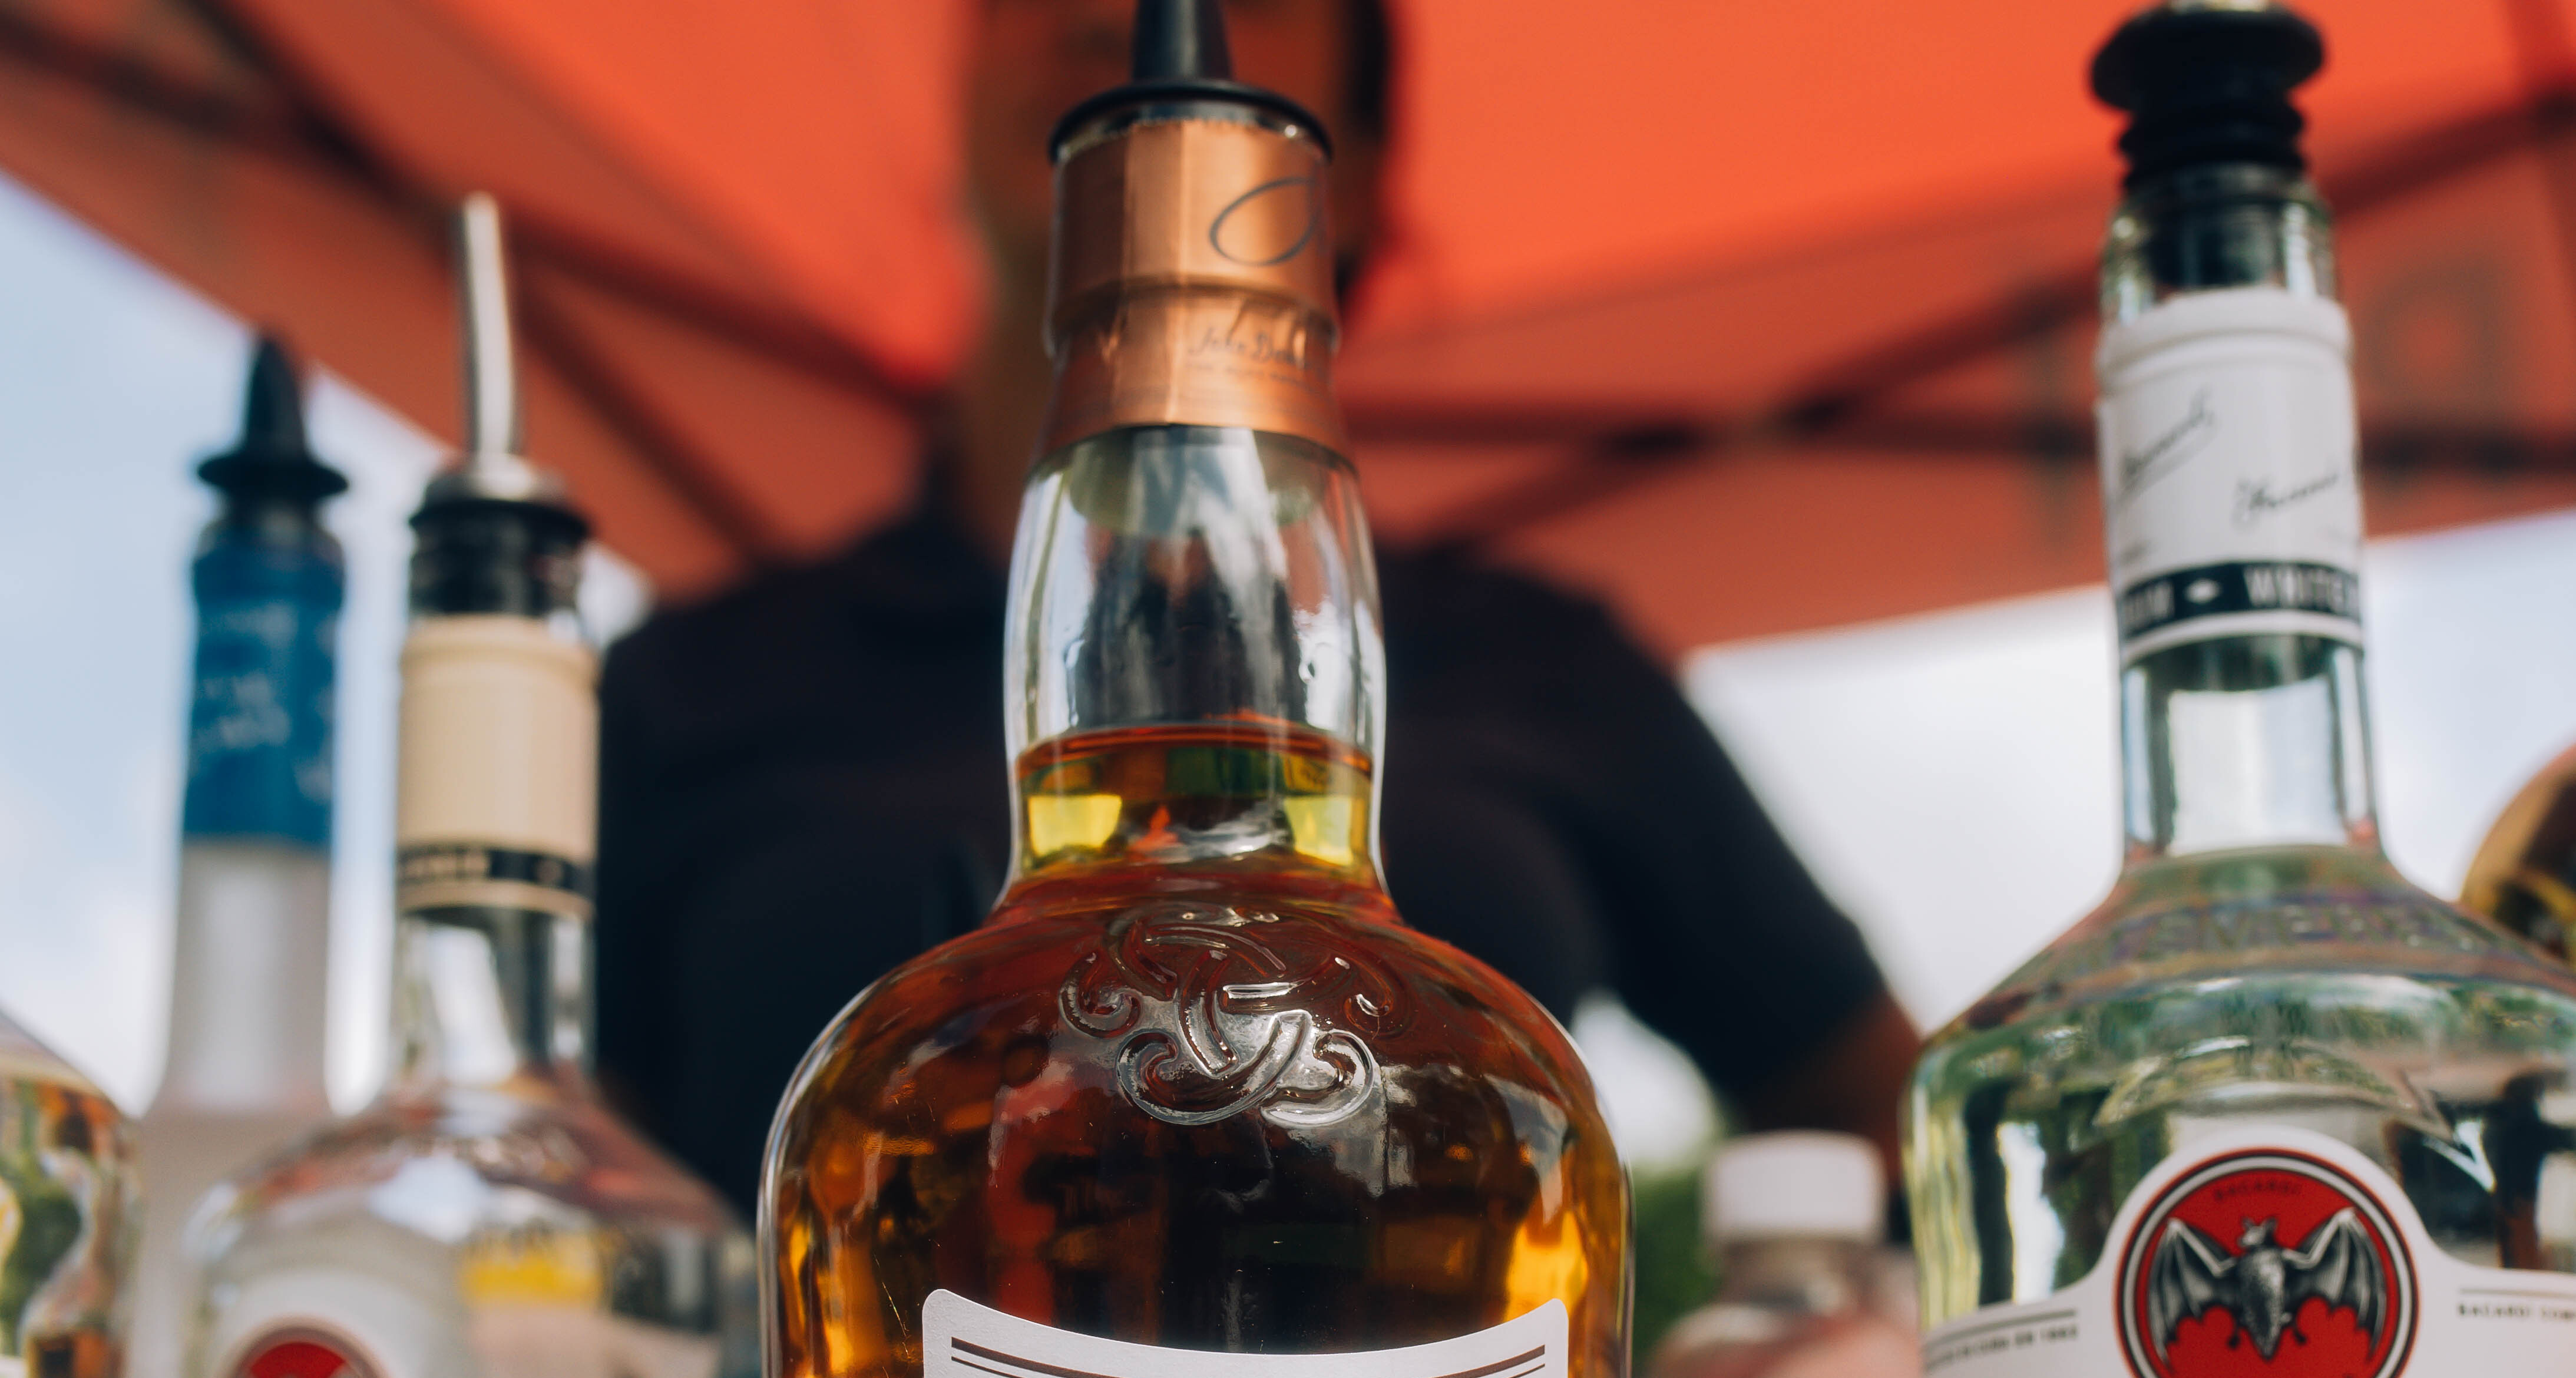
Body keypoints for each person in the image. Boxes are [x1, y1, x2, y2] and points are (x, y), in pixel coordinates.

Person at [596, 0, 1918, 1220]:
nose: (1115, 15)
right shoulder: (692, 679)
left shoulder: (1547, 666)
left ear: (1357, 172)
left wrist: (1802, 1316)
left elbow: (1865, 1100)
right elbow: (581, 1172)